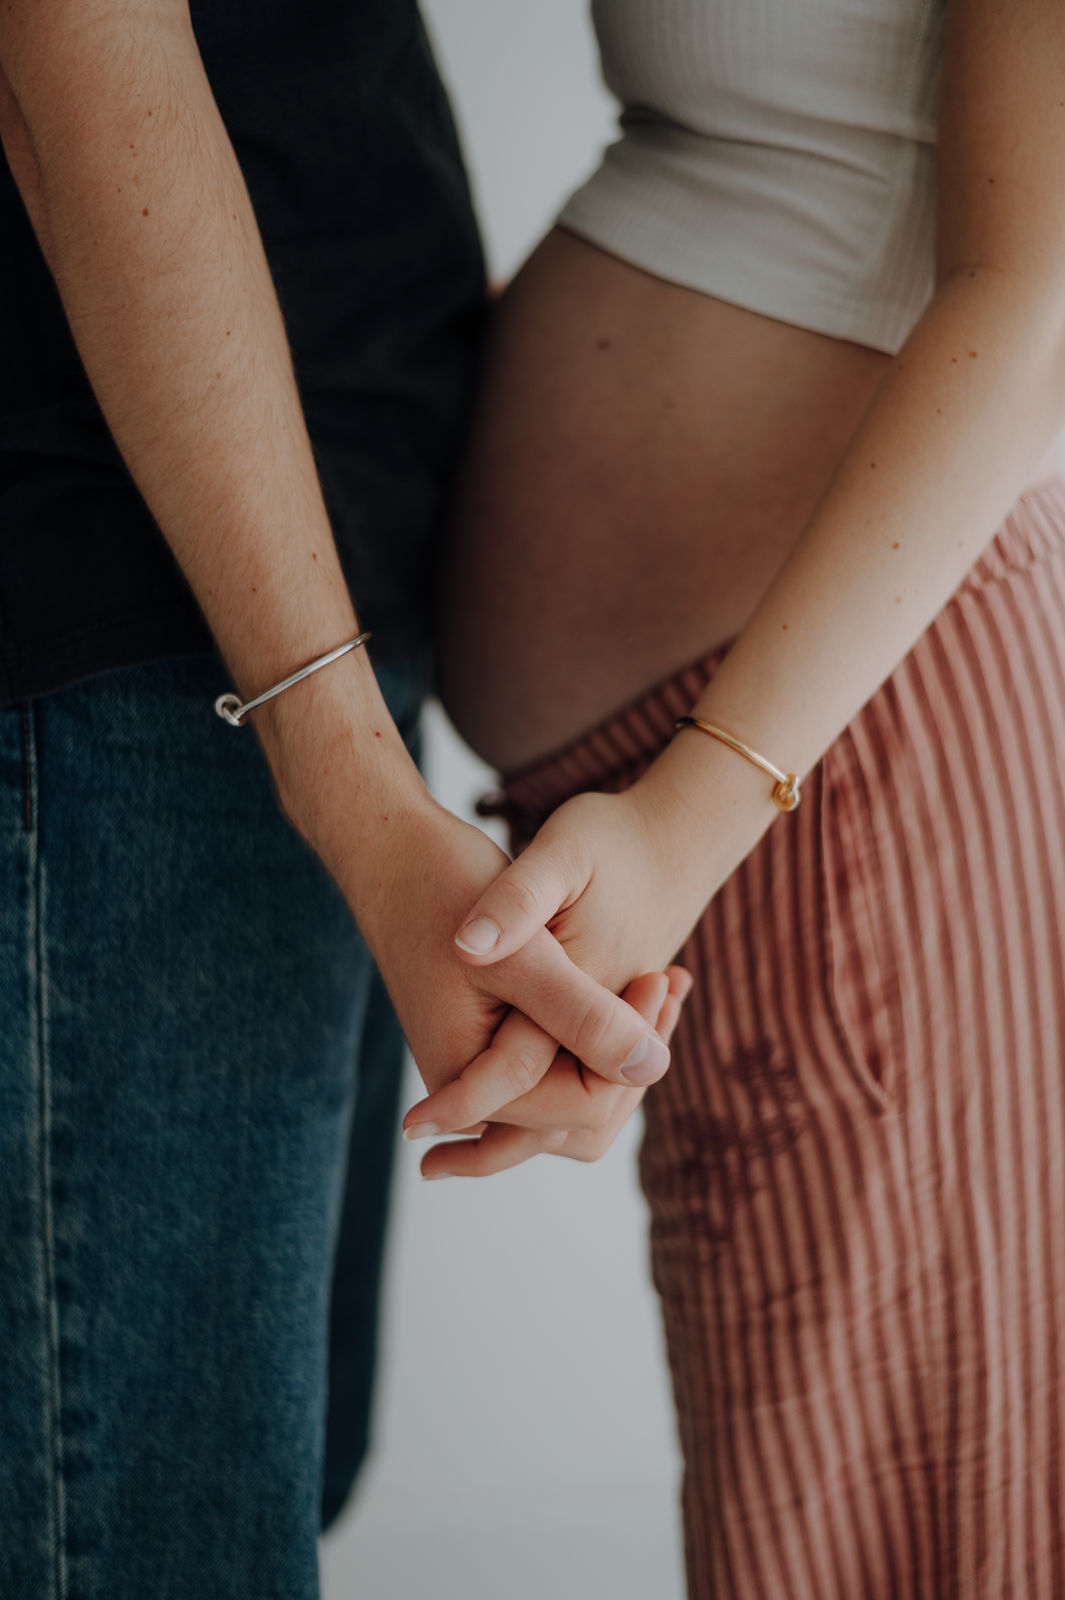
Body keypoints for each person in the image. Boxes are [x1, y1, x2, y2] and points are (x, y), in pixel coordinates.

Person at [0, 4, 690, 1595]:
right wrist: (343, 776)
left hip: (300, 611)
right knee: (160, 1538)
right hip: (156, 615)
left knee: (271, 1478)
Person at [408, 0, 1065, 1593]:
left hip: (830, 753)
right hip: (767, 758)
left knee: (893, 1521)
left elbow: (1040, 288)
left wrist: (703, 802)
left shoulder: (746, 779)